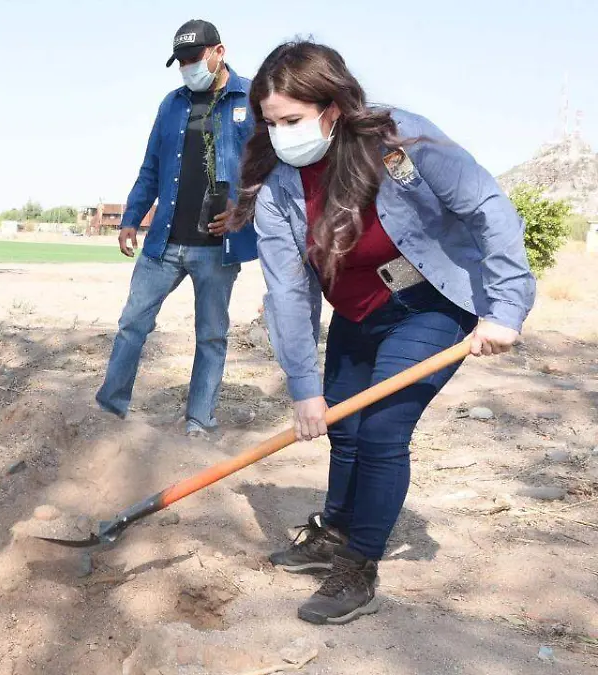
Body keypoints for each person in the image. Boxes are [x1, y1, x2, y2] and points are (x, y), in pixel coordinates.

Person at [226, 40, 534, 626]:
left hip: (432, 304)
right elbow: (287, 291)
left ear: (332, 107)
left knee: (383, 431)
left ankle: (359, 568)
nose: (281, 134)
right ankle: (335, 533)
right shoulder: (276, 189)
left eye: (292, 120)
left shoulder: (400, 141)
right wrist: (303, 388)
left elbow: (487, 208)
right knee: (343, 428)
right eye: (270, 124)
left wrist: (506, 309)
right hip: (358, 311)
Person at [96, 19, 258, 438]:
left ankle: (199, 420)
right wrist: (132, 217)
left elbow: (269, 169)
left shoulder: (251, 100)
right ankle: (110, 410)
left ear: (219, 52)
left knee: (211, 336)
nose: (187, 66)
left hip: (217, 249)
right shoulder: (171, 104)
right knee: (132, 324)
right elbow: (151, 166)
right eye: (181, 61)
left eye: (194, 58)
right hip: (163, 243)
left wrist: (244, 210)